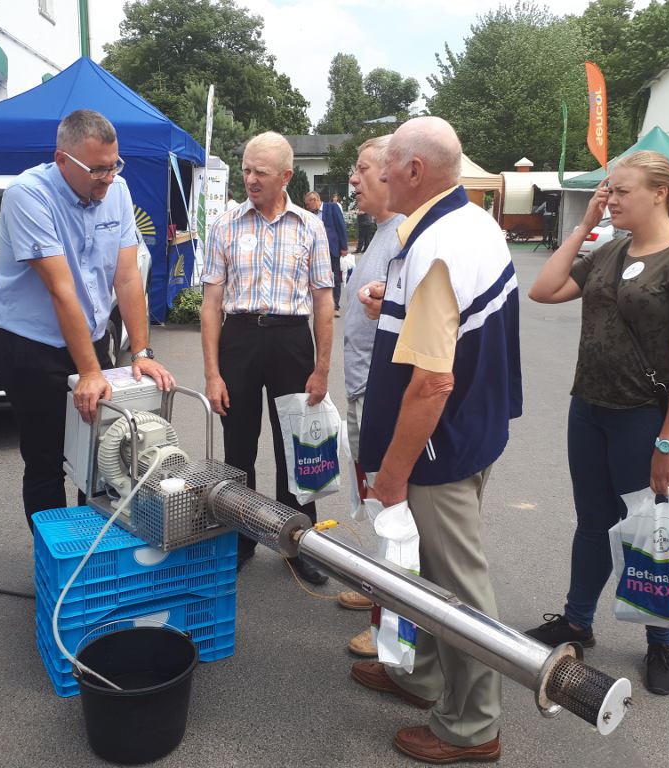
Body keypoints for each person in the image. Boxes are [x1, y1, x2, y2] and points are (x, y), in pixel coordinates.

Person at [349, 116, 522, 764]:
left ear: (414, 171)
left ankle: (474, 725)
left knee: (457, 586)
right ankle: (421, 676)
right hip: (471, 433)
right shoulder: (467, 223)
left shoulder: (435, 244)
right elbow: (450, 326)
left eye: (386, 165)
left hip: (438, 448)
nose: (379, 174)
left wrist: (393, 471)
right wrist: (385, 306)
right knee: (423, 574)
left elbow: (431, 382)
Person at [525, 150, 669, 696]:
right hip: (589, 407)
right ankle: (576, 621)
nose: (609, 199)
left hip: (645, 417)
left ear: (660, 192)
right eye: (607, 192)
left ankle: (662, 639)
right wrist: (585, 225)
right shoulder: (611, 251)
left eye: (620, 192)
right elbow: (543, 290)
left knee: (651, 529)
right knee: (593, 521)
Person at [0, 109, 174, 527]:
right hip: (29, 342)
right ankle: (55, 563)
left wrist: (141, 352)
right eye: (97, 170)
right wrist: (89, 372)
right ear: (62, 160)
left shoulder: (118, 190)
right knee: (48, 455)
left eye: (114, 166)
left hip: (89, 335)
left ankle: (92, 553)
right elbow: (61, 288)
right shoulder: (28, 195)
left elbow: (127, 278)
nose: (108, 178)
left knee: (101, 450)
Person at [201, 132, 334, 585]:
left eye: (260, 171)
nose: (250, 179)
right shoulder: (225, 224)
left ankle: (299, 543)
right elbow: (210, 303)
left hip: (291, 341)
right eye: (245, 169)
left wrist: (321, 369)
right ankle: (240, 537)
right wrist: (213, 373)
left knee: (295, 448)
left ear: (286, 176)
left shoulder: (310, 226)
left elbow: (322, 302)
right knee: (237, 446)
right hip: (238, 339)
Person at [335, 135, 406, 659]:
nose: (354, 180)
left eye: (362, 170)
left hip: (385, 393)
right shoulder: (380, 233)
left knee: (392, 501)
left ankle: (394, 617)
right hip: (363, 387)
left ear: (392, 172)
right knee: (374, 497)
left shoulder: (405, 237)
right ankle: (378, 585)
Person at [303, 190, 348, 316]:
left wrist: (344, 247)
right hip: (317, 252)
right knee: (319, 278)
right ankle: (322, 306)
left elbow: (341, 226)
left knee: (336, 278)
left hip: (332, 249)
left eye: (308, 204)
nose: (307, 207)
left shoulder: (332, 208)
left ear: (314, 200)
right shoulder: (310, 214)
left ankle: (335, 307)